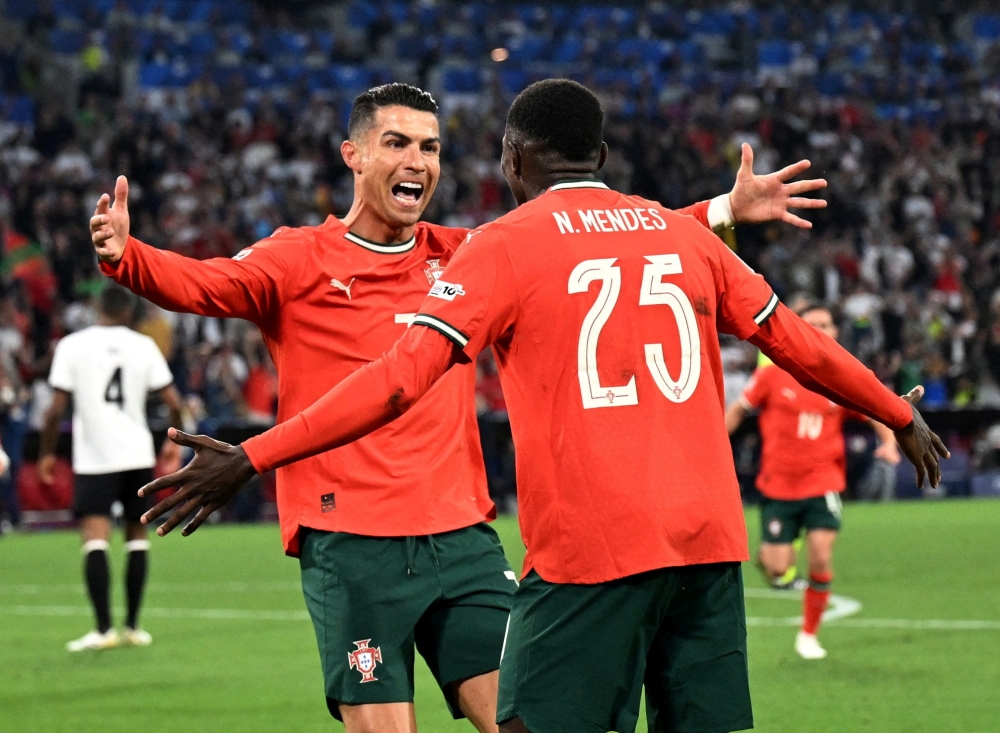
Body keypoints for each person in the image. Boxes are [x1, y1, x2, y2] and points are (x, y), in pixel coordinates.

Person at [136, 80, 948, 733]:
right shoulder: (680, 234)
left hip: (592, 552)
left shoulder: (503, 245)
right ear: (599, 152)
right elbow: (797, 343)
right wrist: (895, 410)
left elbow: (394, 379)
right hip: (707, 544)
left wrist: (252, 456)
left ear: (511, 159)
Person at [724, 303, 901, 659]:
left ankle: (808, 634)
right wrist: (714, 444)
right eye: (813, 324)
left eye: (827, 324)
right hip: (778, 485)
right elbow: (739, 409)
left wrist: (889, 443)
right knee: (777, 567)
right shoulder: (772, 375)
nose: (821, 329)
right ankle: (770, 554)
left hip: (823, 483)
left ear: (836, 332)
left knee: (820, 556)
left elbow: (875, 407)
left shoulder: (840, 375)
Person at [39, 285, 182, 652]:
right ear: (129, 312)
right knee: (137, 539)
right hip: (135, 453)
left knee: (95, 539)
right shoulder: (143, 345)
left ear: (98, 308)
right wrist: (171, 443)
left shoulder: (73, 345)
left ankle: (103, 630)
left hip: (95, 457)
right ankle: (133, 626)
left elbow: (55, 409)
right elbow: (173, 402)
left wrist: (47, 452)